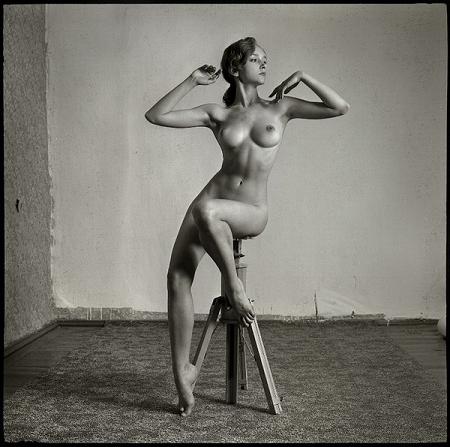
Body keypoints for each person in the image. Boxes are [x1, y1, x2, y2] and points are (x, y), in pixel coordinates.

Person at [145, 36, 349, 416]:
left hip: (251, 209)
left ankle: (233, 288)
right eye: (257, 59)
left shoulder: (281, 107)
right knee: (177, 276)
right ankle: (183, 372)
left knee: (207, 211)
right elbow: (156, 116)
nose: (265, 64)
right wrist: (191, 81)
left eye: (266, 59)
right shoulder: (218, 114)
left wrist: (303, 76)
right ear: (236, 67)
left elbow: (340, 107)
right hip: (214, 199)